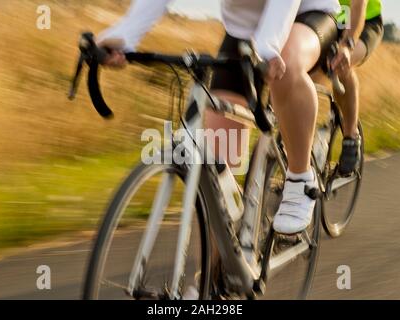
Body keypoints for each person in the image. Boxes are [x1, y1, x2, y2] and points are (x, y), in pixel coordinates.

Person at [97, 0, 341, 235]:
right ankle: (220, 269)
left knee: (287, 62)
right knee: (219, 170)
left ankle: (300, 179)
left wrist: (268, 45)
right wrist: (125, 36)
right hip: (244, 33)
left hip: (307, 15)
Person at [332, 0, 383, 175]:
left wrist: (347, 45)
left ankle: (351, 137)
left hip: (364, 21)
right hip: (331, 20)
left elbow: (358, 7)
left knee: (342, 65)